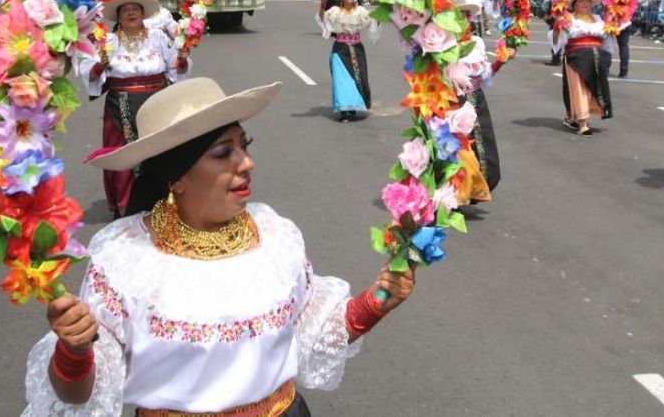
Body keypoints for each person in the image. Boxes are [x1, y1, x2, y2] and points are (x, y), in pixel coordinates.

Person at [21, 77, 416, 416]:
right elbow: (80, 393)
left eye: (245, 145)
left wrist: (379, 299)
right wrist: (73, 350)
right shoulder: (126, 258)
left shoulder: (275, 236)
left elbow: (314, 333)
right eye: (224, 153)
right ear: (176, 177)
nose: (247, 163)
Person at [77, 0, 190, 217]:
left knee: (159, 151)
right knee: (124, 155)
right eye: (125, 10)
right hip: (120, 105)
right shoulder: (107, 41)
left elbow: (175, 68)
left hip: (156, 101)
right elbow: (89, 74)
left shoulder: (158, 37)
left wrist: (183, 59)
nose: (130, 13)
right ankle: (126, 207)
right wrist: (100, 66)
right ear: (118, 16)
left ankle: (161, 202)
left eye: (135, 9)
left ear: (143, 14)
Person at [451, 0, 500, 203]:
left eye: (466, 15)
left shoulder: (477, 43)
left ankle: (477, 188)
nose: (463, 19)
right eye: (459, 14)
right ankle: (458, 193)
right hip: (455, 102)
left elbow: (485, 76)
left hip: (477, 100)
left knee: (483, 145)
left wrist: (501, 61)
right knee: (461, 149)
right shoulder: (444, 44)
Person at [551, 0, 612, 136]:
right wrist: (557, 28)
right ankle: (583, 123)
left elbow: (608, 41)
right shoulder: (569, 19)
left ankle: (572, 116)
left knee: (594, 88)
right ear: (574, 5)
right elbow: (555, 40)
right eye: (580, 1)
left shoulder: (599, 20)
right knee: (579, 89)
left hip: (596, 57)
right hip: (576, 57)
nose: (585, 3)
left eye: (587, 1)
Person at [317, 0, 377, 122]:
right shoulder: (335, 12)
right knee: (341, 79)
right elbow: (323, 20)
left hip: (357, 48)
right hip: (340, 49)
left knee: (358, 77)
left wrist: (381, 9)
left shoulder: (361, 12)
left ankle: (353, 106)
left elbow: (374, 23)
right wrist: (321, 6)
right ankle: (343, 110)